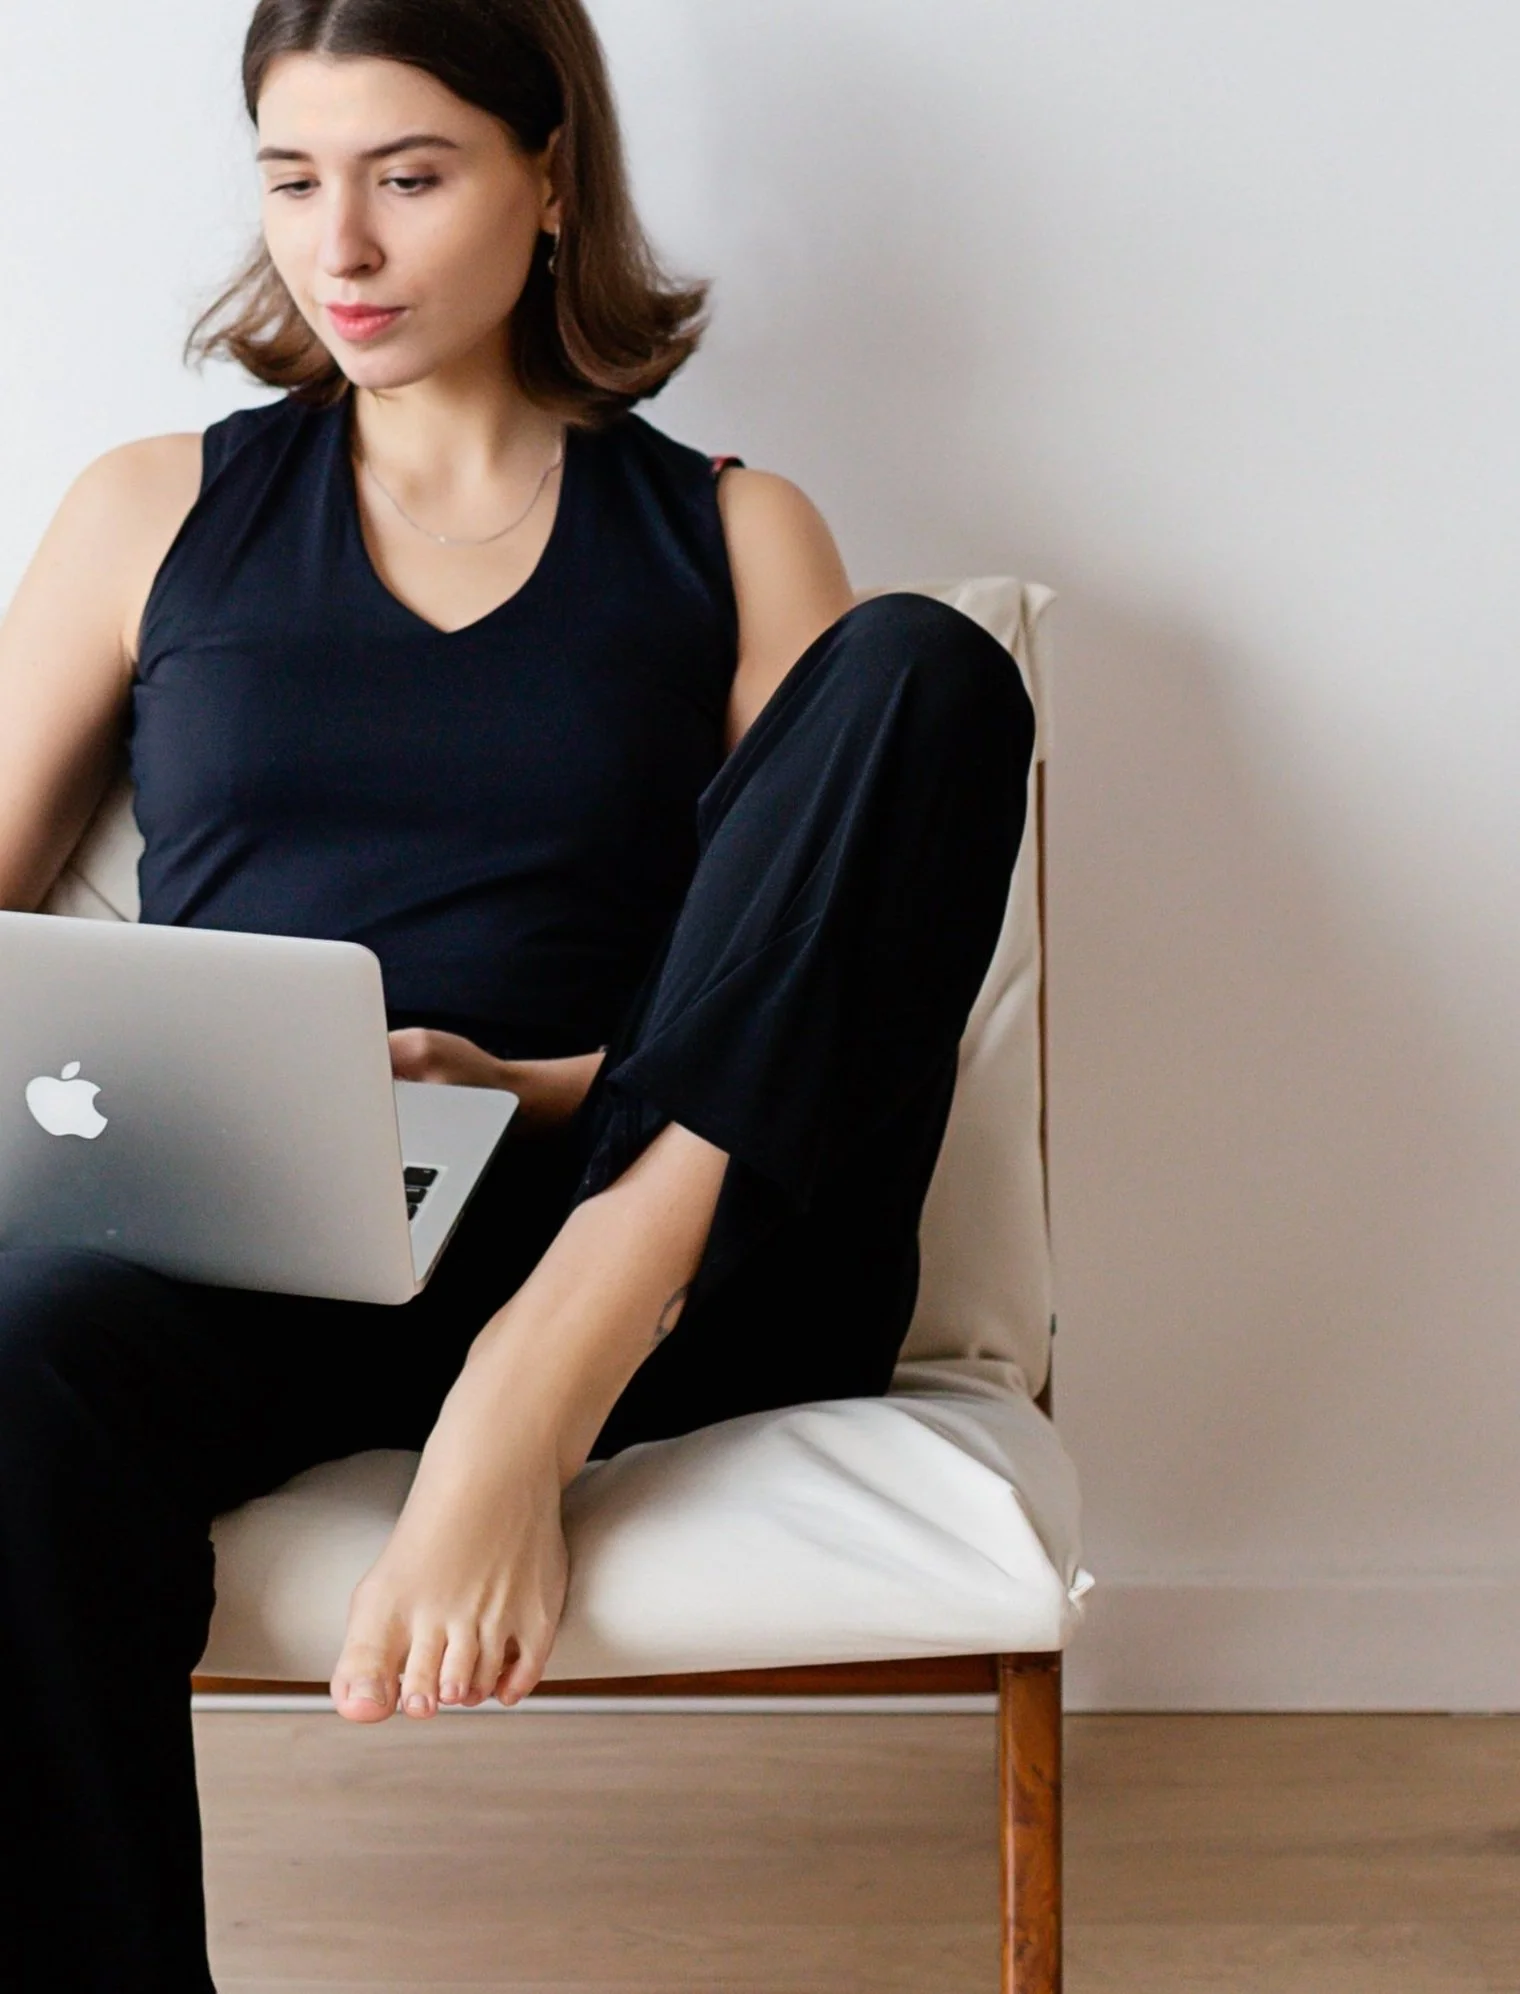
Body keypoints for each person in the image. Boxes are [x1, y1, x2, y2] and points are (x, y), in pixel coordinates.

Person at [0, 0, 1034, 1986]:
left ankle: (527, 1391)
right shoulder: (152, 512)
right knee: (20, 1349)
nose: (340, 247)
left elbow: (827, 963)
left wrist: (544, 1089)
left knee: (923, 668)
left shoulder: (731, 525)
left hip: (661, 1234)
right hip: (283, 1238)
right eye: (292, 181)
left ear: (550, 179)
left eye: (409, 176)